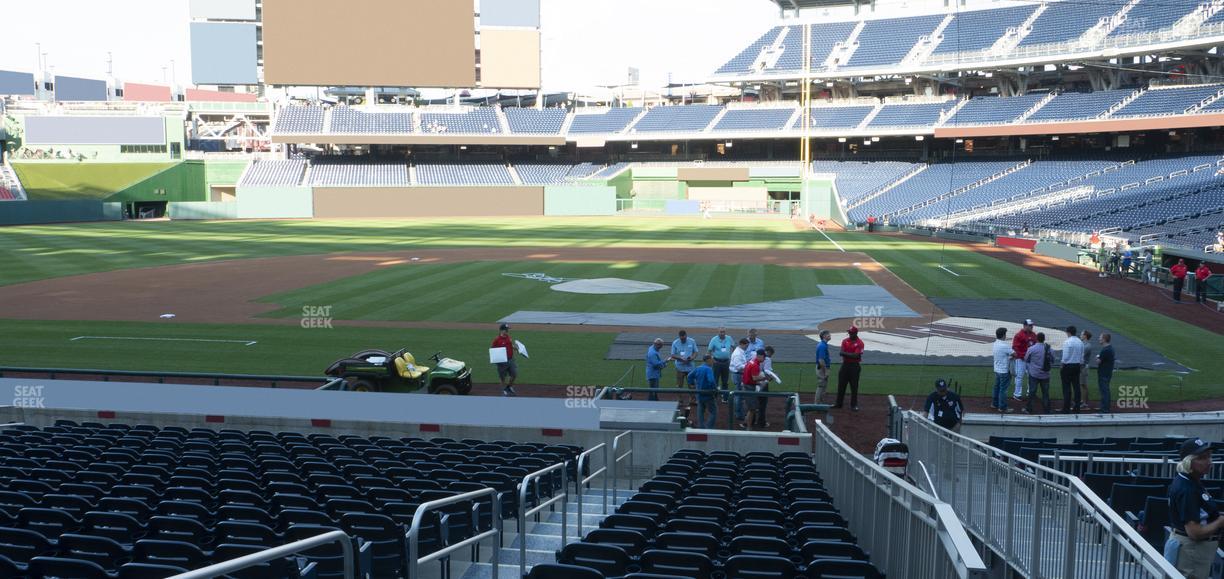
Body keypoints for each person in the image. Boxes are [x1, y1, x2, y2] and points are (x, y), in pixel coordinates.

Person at [1165, 438, 1222, 579]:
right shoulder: (1187, 490)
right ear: (1188, 462)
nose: (1209, 461)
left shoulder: (1190, 480)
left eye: (1209, 456)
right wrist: (1221, 521)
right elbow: (1194, 532)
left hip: (1194, 552)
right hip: (1192, 552)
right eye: (1202, 458)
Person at [833, 326, 864, 411]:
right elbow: (841, 352)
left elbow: (856, 355)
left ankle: (854, 405)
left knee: (854, 386)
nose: (849, 334)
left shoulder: (860, 343)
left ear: (855, 333)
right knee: (841, 385)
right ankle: (838, 403)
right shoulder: (845, 341)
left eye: (851, 333)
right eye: (849, 332)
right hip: (845, 365)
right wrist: (850, 354)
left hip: (855, 366)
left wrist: (845, 353)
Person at [1023, 332, 1053, 414]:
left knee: (1032, 392)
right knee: (1045, 393)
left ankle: (1029, 409)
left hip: (1034, 374)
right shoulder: (1049, 349)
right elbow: (1052, 360)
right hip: (1045, 375)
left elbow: (1026, 359)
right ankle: (1047, 410)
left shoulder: (1032, 348)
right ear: (1044, 339)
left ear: (1036, 339)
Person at [686, 354, 718, 429]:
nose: (713, 361)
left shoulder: (698, 368)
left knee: (700, 410)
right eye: (712, 359)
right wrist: (714, 389)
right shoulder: (708, 369)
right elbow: (711, 381)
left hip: (699, 394)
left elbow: (689, 376)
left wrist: (692, 384)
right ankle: (709, 428)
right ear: (708, 360)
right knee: (713, 412)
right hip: (707, 394)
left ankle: (701, 426)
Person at [741, 349, 767, 430]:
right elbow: (755, 377)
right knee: (752, 409)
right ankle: (748, 427)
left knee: (751, 408)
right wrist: (766, 377)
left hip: (747, 385)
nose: (764, 359)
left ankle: (746, 423)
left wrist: (758, 383)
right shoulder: (755, 365)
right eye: (764, 357)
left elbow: (750, 378)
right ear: (760, 356)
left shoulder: (751, 361)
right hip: (749, 388)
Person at [1060, 325, 1084, 413]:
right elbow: (1082, 356)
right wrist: (1080, 366)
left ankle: (1066, 408)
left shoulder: (1067, 342)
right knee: (1076, 386)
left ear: (1068, 332)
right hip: (1077, 366)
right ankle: (1077, 407)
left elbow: (1065, 356)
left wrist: (1062, 365)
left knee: (1066, 387)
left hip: (1067, 366)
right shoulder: (1080, 342)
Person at [671, 330, 698, 408]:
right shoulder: (675, 343)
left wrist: (691, 358)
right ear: (679, 337)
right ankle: (680, 401)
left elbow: (696, 352)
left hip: (690, 367)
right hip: (680, 367)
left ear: (686, 335)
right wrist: (680, 358)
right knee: (679, 385)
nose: (683, 339)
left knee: (692, 385)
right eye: (681, 338)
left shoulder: (692, 341)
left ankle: (693, 400)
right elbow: (672, 355)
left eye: (684, 338)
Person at [1011, 319, 1036, 401]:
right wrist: (1022, 356)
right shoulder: (1019, 335)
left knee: (1031, 376)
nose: (1032, 326)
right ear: (1025, 326)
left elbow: (1035, 346)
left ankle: (1030, 393)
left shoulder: (1034, 335)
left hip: (1030, 360)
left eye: (1032, 325)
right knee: (1019, 376)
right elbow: (1015, 347)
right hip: (1021, 360)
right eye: (1030, 325)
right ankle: (1017, 394)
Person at [492, 323, 517, 397]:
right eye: (506, 330)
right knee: (502, 378)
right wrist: (497, 361)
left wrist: (514, 347)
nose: (507, 331)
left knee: (514, 374)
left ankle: (508, 387)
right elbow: (493, 350)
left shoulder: (508, 337)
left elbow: (510, 344)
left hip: (510, 360)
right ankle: (503, 390)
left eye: (507, 329)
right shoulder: (497, 340)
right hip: (502, 362)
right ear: (502, 331)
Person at [991, 327, 1012, 414]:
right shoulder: (1004, 345)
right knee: (1003, 389)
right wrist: (1010, 357)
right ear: (1003, 335)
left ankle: (994, 404)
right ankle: (1002, 407)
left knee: (997, 387)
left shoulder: (995, 343)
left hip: (997, 369)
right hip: (1004, 371)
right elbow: (1015, 354)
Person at [729, 338, 751, 421]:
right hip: (738, 375)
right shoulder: (738, 353)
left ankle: (739, 412)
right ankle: (739, 414)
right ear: (742, 344)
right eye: (746, 345)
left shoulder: (740, 352)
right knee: (739, 395)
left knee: (739, 395)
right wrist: (748, 366)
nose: (747, 347)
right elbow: (738, 367)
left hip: (738, 375)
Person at [755, 346, 776, 429]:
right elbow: (767, 371)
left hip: (755, 382)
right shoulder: (767, 359)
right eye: (770, 354)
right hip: (763, 383)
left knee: (753, 403)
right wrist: (773, 376)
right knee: (762, 404)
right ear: (768, 352)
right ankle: (761, 422)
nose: (770, 356)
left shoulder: (755, 358)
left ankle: (750, 421)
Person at [1096, 333, 1115, 414]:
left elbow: (1098, 362)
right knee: (1105, 390)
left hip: (1103, 373)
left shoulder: (1105, 350)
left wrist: (1097, 357)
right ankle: (1105, 407)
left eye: (1100, 338)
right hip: (1107, 372)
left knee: (1104, 391)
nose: (1099, 339)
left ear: (1104, 339)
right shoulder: (1110, 348)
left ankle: (1104, 410)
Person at [814, 330, 832, 404]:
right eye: (828, 334)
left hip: (821, 368)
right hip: (822, 368)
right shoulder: (822, 346)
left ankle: (819, 404)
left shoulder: (823, 344)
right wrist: (825, 371)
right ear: (824, 336)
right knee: (821, 387)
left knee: (823, 387)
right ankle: (817, 405)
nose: (830, 335)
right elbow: (821, 360)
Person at [1079, 329, 1093, 409]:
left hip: (1084, 368)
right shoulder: (1084, 344)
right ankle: (1083, 400)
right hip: (1082, 367)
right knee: (1082, 385)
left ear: (1085, 336)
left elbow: (1082, 356)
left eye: (1081, 334)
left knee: (1083, 385)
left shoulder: (1087, 346)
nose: (1080, 335)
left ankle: (1084, 403)